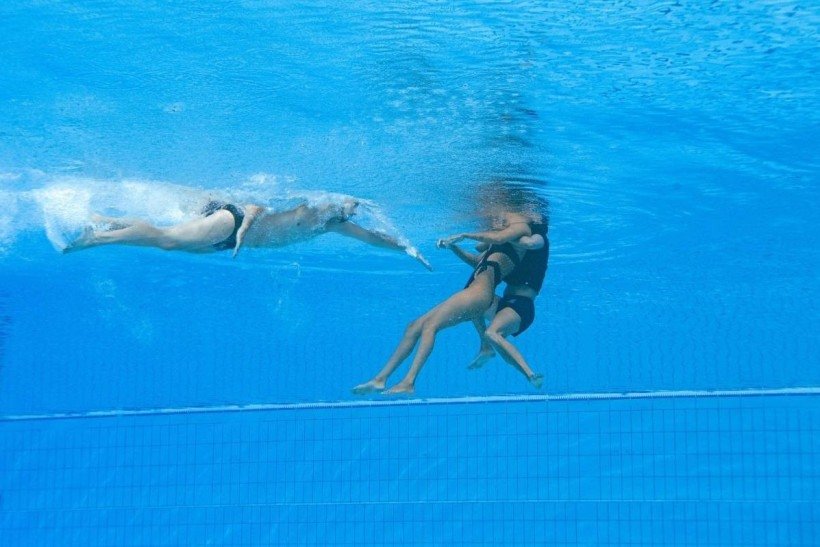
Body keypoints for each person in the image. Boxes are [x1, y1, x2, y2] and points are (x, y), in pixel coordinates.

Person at [352, 207, 543, 395]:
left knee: (431, 327)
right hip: (473, 293)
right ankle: (380, 379)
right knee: (414, 326)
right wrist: (453, 246)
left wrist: (467, 235)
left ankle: (408, 382)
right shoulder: (494, 250)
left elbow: (500, 238)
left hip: (479, 295)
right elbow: (476, 259)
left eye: (499, 220)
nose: (494, 221)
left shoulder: (515, 243)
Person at [63, 198, 432, 269]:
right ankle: (96, 239)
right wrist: (240, 236)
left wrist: (409, 251)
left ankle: (103, 220)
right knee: (169, 238)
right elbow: (256, 205)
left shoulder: (332, 225)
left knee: (168, 243)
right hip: (232, 222)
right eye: (351, 205)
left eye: (355, 210)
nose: (353, 212)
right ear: (336, 200)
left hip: (227, 244)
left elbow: (374, 238)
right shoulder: (309, 205)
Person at [448, 219, 549, 387]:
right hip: (506, 303)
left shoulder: (538, 237)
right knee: (473, 301)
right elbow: (478, 262)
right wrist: (452, 247)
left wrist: (502, 237)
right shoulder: (507, 244)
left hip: (521, 306)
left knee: (493, 333)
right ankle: (486, 348)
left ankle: (530, 374)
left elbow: (530, 244)